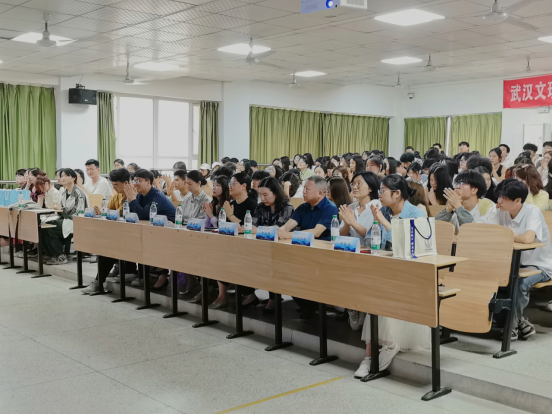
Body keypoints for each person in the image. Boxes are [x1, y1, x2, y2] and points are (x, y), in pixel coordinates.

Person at [355, 175, 427, 378]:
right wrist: (377, 223)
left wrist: (382, 221)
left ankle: (389, 344)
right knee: (373, 293)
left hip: (410, 272)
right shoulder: (384, 211)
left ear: (397, 194)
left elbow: (408, 246)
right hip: (387, 268)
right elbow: (373, 241)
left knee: (382, 292)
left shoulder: (416, 213)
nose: (379, 195)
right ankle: (369, 356)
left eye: (383, 191)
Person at [472, 179, 552, 340]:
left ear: (517, 200)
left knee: (520, 283)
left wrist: (506, 235)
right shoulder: (501, 210)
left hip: (540, 266)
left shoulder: (532, 212)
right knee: (490, 278)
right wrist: (495, 217)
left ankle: (511, 327)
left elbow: (528, 238)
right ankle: (521, 322)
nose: (499, 201)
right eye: (499, 197)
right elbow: (489, 232)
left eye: (504, 198)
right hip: (513, 264)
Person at [225, 177, 295, 312]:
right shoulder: (261, 207)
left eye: (265, 195)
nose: (262, 198)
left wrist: (256, 230)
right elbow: (253, 225)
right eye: (260, 195)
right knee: (241, 258)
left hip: (281, 249)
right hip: (261, 246)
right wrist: (246, 228)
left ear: (275, 193)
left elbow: (279, 229)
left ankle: (274, 298)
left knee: (271, 264)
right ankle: (250, 294)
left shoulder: (287, 208)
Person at [278, 175, 339, 319]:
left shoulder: (330, 208)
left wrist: (288, 234)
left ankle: (314, 307)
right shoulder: (303, 207)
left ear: (320, 193)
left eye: (307, 189)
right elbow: (287, 227)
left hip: (322, 254)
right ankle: (307, 306)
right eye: (304, 188)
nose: (304, 192)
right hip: (303, 251)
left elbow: (316, 232)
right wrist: (280, 231)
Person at [82, 168, 139, 293]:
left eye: (116, 185)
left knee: (109, 248)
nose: (114, 188)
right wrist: (101, 212)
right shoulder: (117, 196)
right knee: (106, 246)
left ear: (126, 183)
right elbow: (110, 211)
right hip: (120, 233)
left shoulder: (134, 195)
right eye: (113, 185)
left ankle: (99, 282)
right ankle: (102, 280)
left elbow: (122, 212)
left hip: (135, 235)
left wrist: (109, 213)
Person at [338, 171, 381, 330]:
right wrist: (347, 223)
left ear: (370, 188)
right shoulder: (351, 207)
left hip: (371, 255)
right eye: (353, 184)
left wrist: (353, 222)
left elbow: (371, 235)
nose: (354, 187)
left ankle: (363, 308)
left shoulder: (377, 206)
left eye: (359, 184)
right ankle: (352, 307)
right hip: (351, 254)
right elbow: (341, 235)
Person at [39, 168, 89, 265]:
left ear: (73, 178)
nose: (63, 178)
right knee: (42, 226)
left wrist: (62, 209)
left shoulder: (79, 193)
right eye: (62, 176)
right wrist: (59, 209)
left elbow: (79, 212)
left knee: (49, 229)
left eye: (66, 176)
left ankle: (60, 256)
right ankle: (50, 254)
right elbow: (61, 210)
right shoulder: (64, 192)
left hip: (76, 221)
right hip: (66, 219)